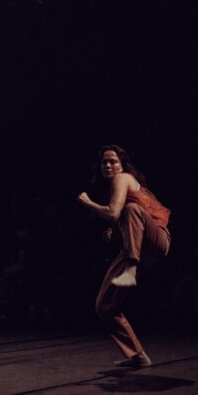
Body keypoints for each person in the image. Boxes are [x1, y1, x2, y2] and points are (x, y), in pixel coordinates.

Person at [77, 145, 171, 367]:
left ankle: (131, 267)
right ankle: (137, 355)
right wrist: (117, 230)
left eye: (113, 161)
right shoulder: (115, 187)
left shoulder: (123, 178)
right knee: (104, 305)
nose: (108, 165)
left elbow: (114, 212)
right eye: (104, 163)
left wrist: (87, 202)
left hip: (156, 241)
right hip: (139, 249)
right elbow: (119, 218)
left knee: (129, 210)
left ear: (123, 164)